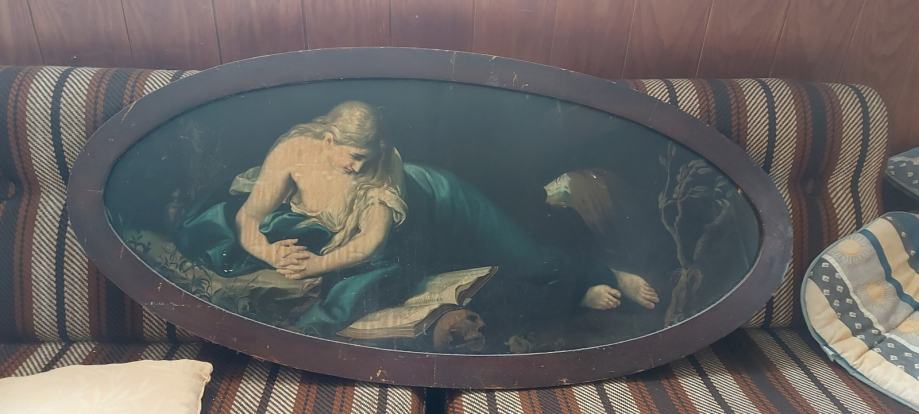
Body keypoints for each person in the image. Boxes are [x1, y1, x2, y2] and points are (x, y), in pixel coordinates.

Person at [176, 101, 656, 337]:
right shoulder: (293, 151)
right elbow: (249, 215)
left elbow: (370, 243)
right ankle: (578, 284)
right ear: (327, 141)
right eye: (351, 157)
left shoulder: (382, 169)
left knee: (527, 259)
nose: (358, 167)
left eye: (367, 158)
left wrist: (313, 266)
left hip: (443, 205)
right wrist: (269, 252)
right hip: (411, 235)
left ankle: (603, 272)